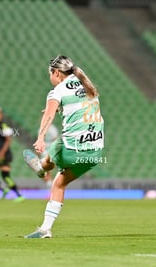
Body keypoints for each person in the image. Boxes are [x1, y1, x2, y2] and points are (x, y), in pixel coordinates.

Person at [23, 55, 104, 238]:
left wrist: (41, 137)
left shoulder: (57, 91)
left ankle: (41, 167)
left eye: (49, 74)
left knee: (56, 149)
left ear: (57, 72)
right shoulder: (85, 83)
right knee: (59, 184)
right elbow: (80, 106)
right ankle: (45, 229)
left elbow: (49, 116)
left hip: (71, 148)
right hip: (94, 153)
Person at [0, 106, 25, 202]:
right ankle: (3, 189)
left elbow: (8, 140)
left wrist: (2, 152)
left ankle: (19, 195)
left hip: (5, 154)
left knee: (5, 175)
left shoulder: (4, 126)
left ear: (1, 115)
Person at [39, 122, 59, 188]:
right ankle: (51, 184)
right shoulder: (42, 129)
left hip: (49, 151)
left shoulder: (51, 129)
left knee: (45, 169)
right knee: (45, 170)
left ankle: (52, 184)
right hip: (45, 151)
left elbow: (56, 139)